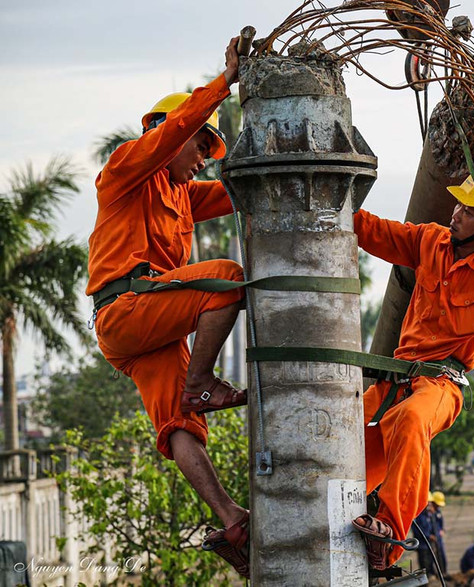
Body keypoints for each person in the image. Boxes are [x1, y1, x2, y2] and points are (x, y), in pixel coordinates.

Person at [86, 38, 249, 577]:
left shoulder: (182, 193)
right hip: (126, 306)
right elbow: (175, 132)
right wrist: (224, 83)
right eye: (201, 145)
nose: (203, 157)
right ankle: (201, 382)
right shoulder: (127, 169)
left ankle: (231, 521)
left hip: (144, 326)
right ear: (166, 132)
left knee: (179, 425)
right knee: (225, 279)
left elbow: (238, 192)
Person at [351, 113, 474, 571]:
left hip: (439, 387)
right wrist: (327, 202)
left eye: (470, 209)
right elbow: (374, 231)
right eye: (458, 205)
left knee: (414, 421)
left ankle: (391, 537)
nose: (456, 213)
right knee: (335, 435)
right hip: (392, 384)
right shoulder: (430, 242)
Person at [413, 494, 439, 577]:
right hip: (422, 544)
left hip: (429, 544)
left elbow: (431, 526)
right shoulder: (418, 515)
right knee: (424, 564)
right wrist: (428, 536)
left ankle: (431, 575)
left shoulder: (428, 514)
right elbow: (418, 530)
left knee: (430, 561)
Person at [432, 490, 449, 577]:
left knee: (441, 556)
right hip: (432, 538)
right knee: (433, 557)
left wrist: (442, 530)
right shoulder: (430, 513)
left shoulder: (437, 511)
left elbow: (441, 522)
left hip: (439, 537)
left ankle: (444, 572)